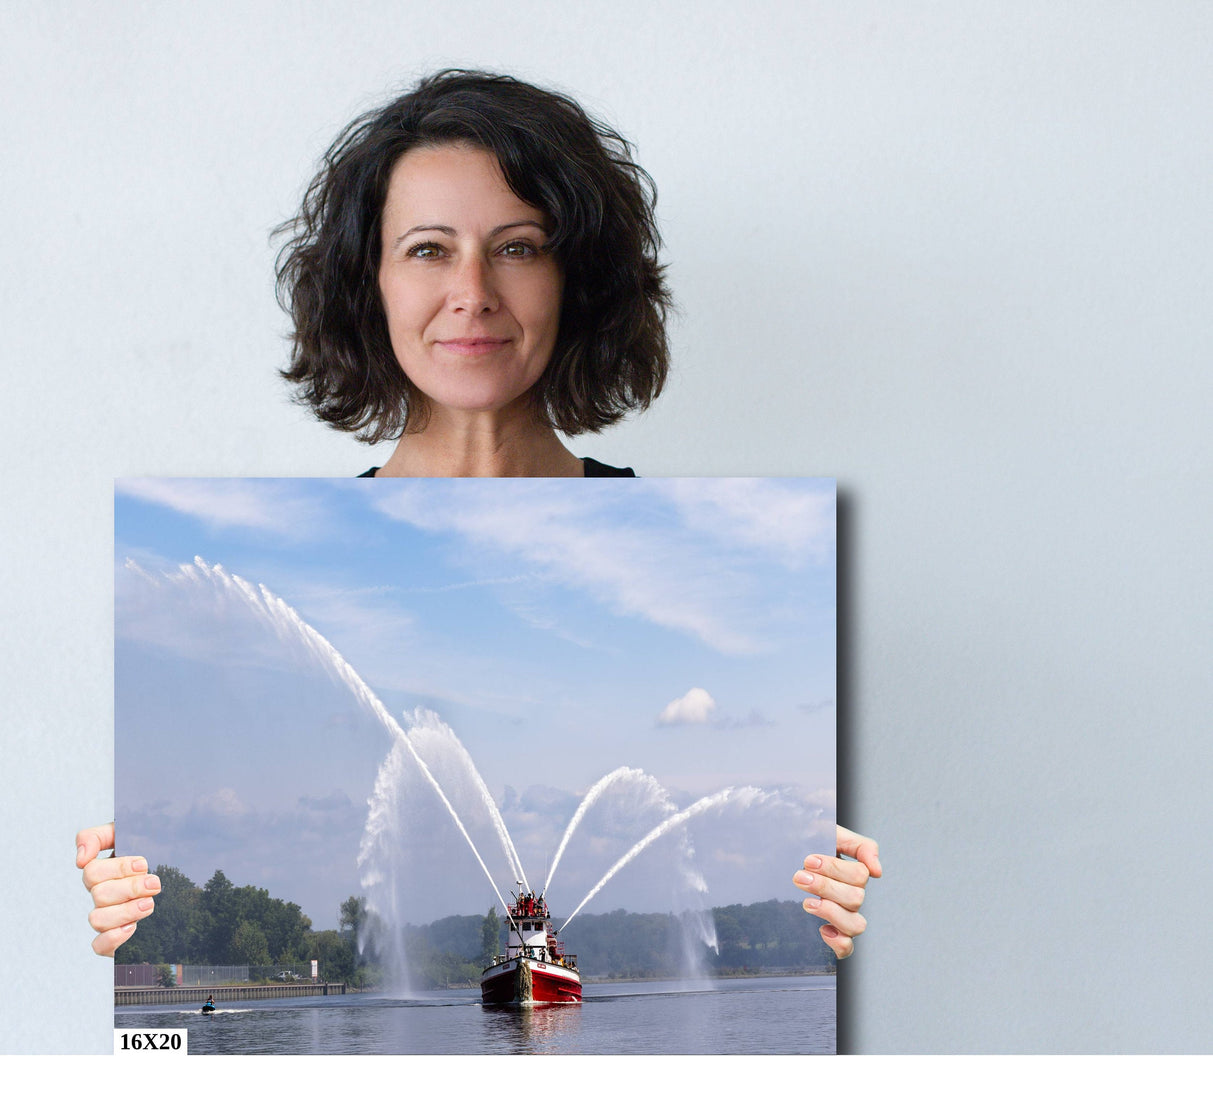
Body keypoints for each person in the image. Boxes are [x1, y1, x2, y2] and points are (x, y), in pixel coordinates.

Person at [77, 69, 881, 960]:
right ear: (368, 283)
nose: (473, 291)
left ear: (575, 280)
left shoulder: (719, 556)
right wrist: (128, 910)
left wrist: (848, 920)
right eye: (427, 249)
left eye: (518, 246)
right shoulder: (283, 561)